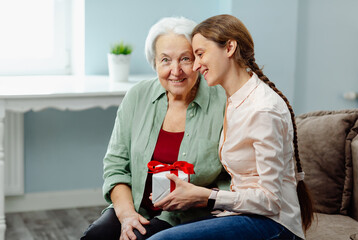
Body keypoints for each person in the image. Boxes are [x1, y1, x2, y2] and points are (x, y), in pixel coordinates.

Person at [148, 14, 314, 240]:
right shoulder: (233, 99)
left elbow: (271, 201)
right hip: (240, 213)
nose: (196, 66)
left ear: (229, 48)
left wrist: (206, 196)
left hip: (274, 224)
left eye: (200, 54)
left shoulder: (262, 110)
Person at [80, 16, 229, 240]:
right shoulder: (137, 96)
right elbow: (116, 167)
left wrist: (201, 197)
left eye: (185, 59)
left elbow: (234, 178)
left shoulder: (223, 103)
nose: (176, 70)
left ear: (198, 60)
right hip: (135, 207)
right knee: (96, 236)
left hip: (191, 216)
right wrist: (127, 215)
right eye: (166, 60)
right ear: (155, 63)